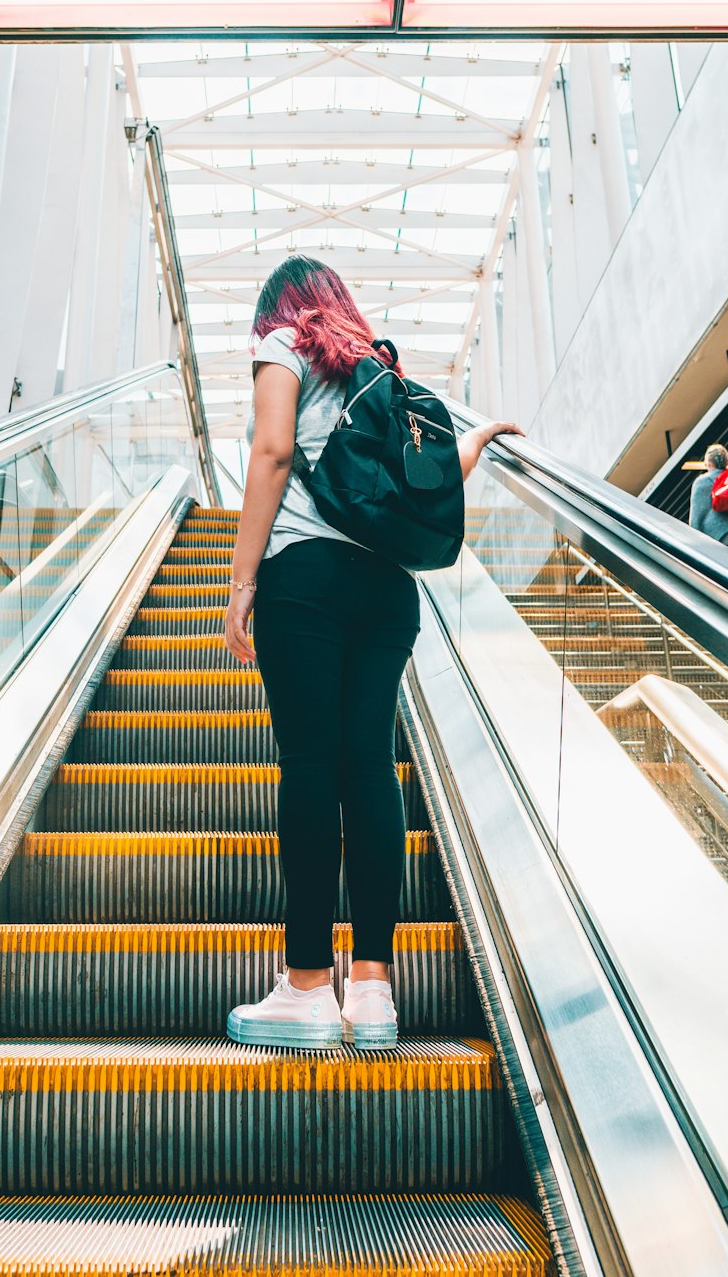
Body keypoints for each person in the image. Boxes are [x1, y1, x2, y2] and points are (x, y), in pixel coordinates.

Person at [222, 254, 521, 1049]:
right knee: (369, 767)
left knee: (312, 767)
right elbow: (427, 487)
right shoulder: (380, 374)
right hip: (388, 591)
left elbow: (273, 451)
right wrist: (480, 436)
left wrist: (242, 580)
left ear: (278, 308)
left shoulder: (281, 342)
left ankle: (309, 986)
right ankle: (374, 991)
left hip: (307, 580)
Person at [689, 444, 728, 561]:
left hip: (724, 540)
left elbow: (696, 517)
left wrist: (694, 542)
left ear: (708, 463)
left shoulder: (701, 482)